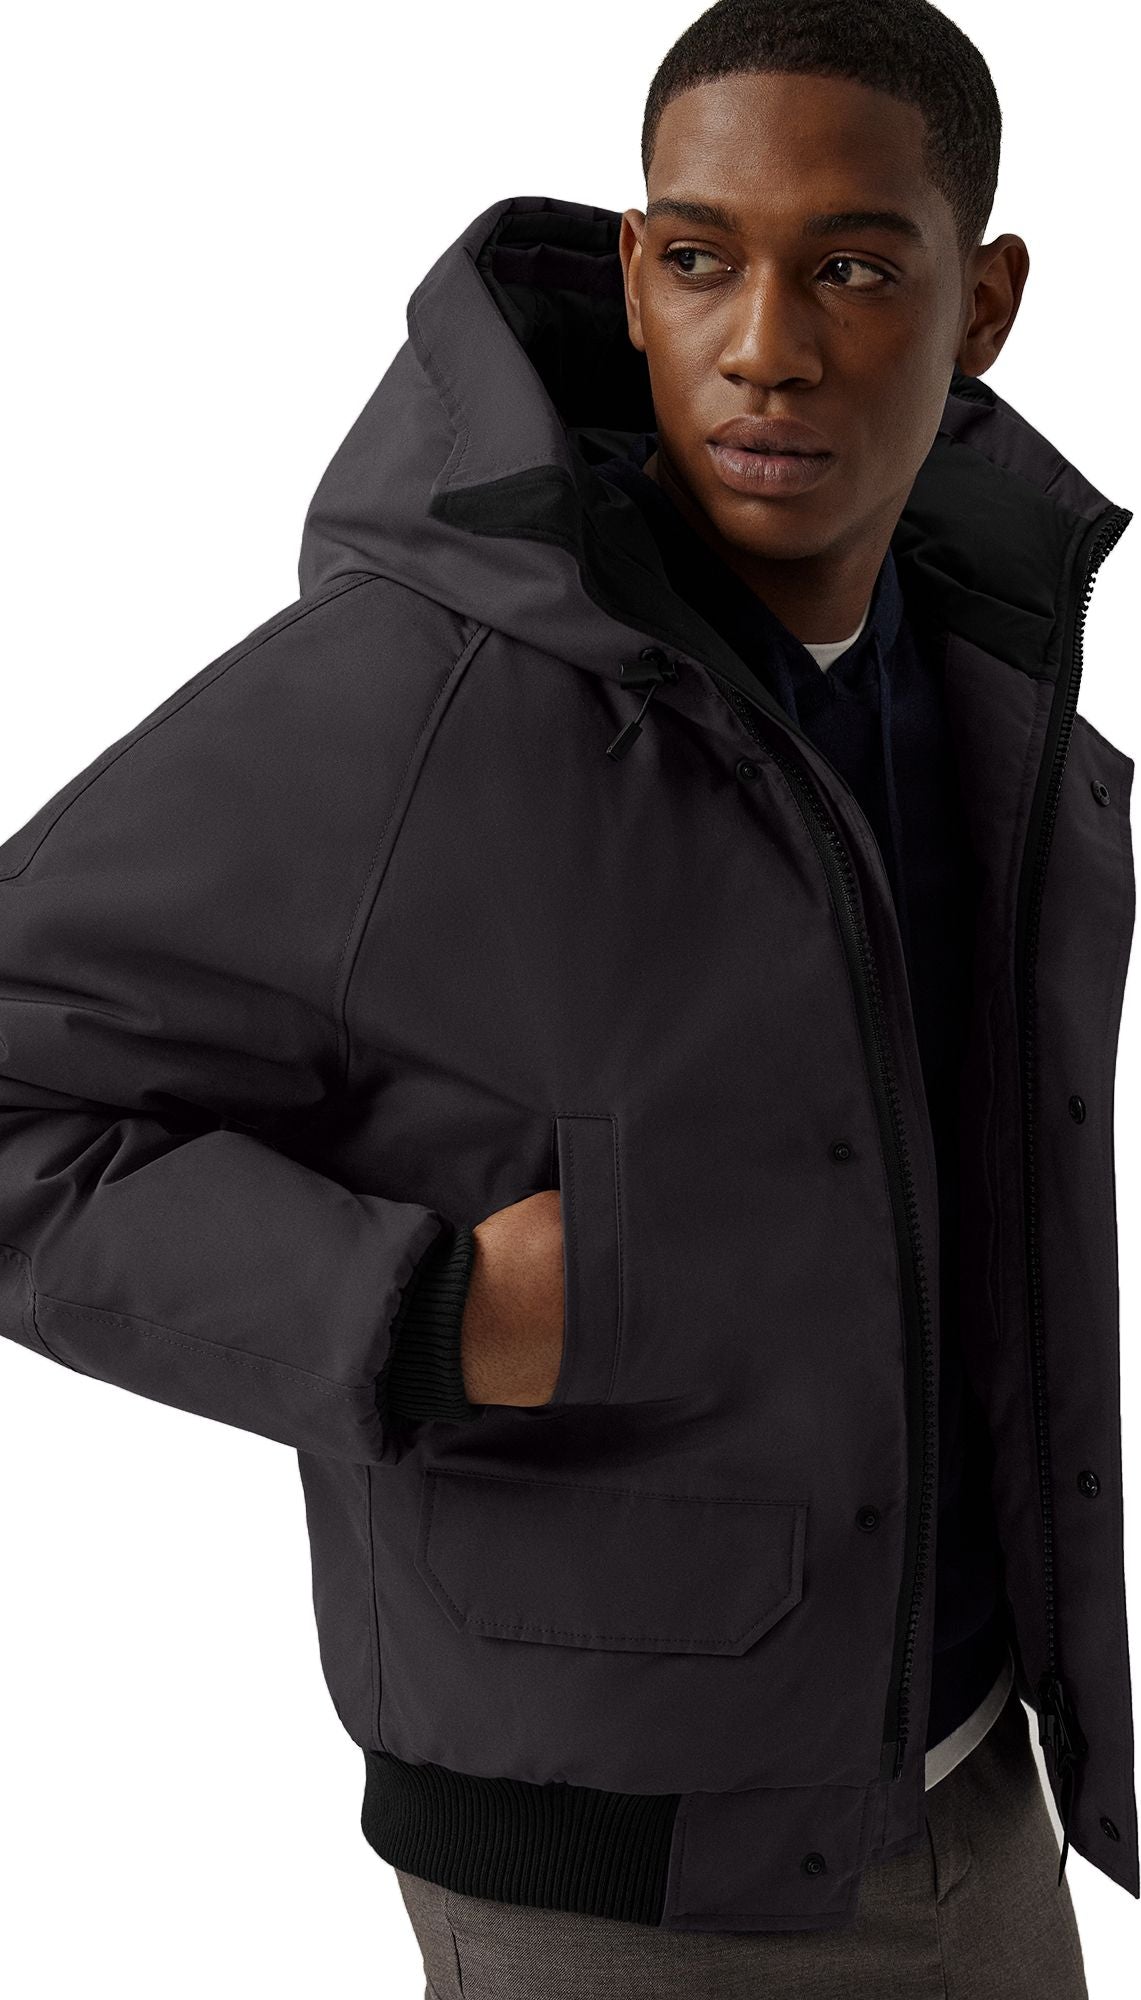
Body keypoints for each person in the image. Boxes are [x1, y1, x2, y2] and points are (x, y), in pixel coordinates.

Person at [0, 1, 1134, 1994]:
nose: (762, 345)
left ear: (982, 307)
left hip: (970, 1784)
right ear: (629, 277)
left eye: (852, 270)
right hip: (599, 1879)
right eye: (699, 257)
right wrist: (424, 1310)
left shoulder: (971, 694)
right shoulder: (414, 694)